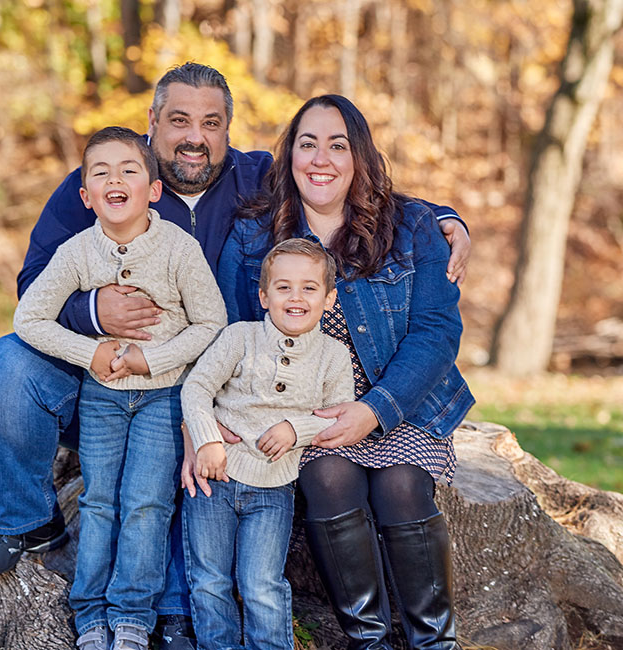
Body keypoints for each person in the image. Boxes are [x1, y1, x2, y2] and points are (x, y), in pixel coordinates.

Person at [0, 61, 471, 648]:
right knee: (5, 366)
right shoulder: (107, 180)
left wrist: (446, 218)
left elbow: (350, 188)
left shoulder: (257, 178)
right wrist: (94, 313)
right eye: (178, 120)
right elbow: (34, 289)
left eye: (211, 123)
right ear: (152, 123)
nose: (194, 136)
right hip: (98, 372)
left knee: (217, 440)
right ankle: (28, 528)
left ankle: (184, 615)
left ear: (229, 129)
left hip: (249, 383)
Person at [216, 94, 475, 650]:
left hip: (401, 401)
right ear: (288, 157)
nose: (321, 159)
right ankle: (371, 640)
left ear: (359, 157)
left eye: (338, 145)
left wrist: (375, 409)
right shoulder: (254, 234)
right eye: (307, 144)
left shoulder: (413, 226)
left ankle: (435, 641)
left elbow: (436, 331)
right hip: (306, 410)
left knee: (402, 487)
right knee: (329, 479)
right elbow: (236, 332)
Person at [13, 126, 226, 650]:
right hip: (102, 398)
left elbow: (212, 324)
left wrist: (149, 358)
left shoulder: (179, 248)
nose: (116, 179)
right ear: (85, 196)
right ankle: (90, 616)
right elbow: (28, 318)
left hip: (163, 396)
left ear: (153, 190)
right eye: (101, 172)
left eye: (129, 170)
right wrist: (95, 352)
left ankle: (132, 617)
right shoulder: (76, 252)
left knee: (147, 503)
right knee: (101, 501)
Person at [180, 238, 354, 650]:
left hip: (273, 488)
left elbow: (338, 413)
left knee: (261, 583)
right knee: (209, 580)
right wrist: (206, 440)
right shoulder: (239, 337)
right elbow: (198, 387)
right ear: (264, 296)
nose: (296, 297)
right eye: (283, 287)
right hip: (213, 479)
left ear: (329, 299)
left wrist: (297, 429)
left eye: (309, 288)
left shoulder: (334, 355)